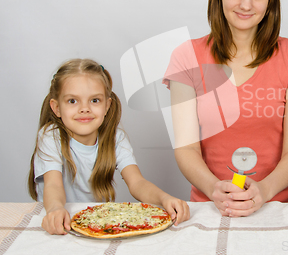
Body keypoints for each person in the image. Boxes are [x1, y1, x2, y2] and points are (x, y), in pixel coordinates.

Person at [163, 0, 288, 217]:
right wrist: (214, 188)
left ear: (270, 0)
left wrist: (265, 190)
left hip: (278, 208)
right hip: (210, 208)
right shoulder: (186, 57)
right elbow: (186, 148)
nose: (246, 5)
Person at [28, 59, 189, 235]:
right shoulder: (51, 136)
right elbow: (53, 186)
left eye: (94, 100)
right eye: (72, 101)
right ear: (56, 108)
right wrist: (55, 210)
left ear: (107, 105)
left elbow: (137, 182)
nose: (84, 109)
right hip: (59, 222)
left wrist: (164, 198)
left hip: (96, 224)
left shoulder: (115, 138)